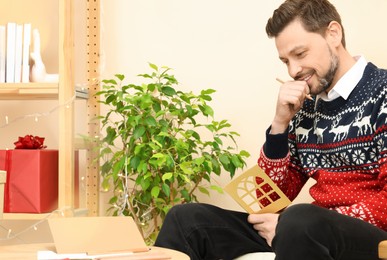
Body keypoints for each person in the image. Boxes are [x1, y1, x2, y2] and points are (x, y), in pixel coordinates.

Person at [154, 0, 387, 259]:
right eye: (285, 60)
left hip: (372, 237)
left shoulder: (383, 94)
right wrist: (280, 125)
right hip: (306, 230)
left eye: (300, 54)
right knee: (187, 220)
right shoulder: (307, 108)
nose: (294, 70)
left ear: (333, 33)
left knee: (299, 220)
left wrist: (291, 224)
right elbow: (266, 202)